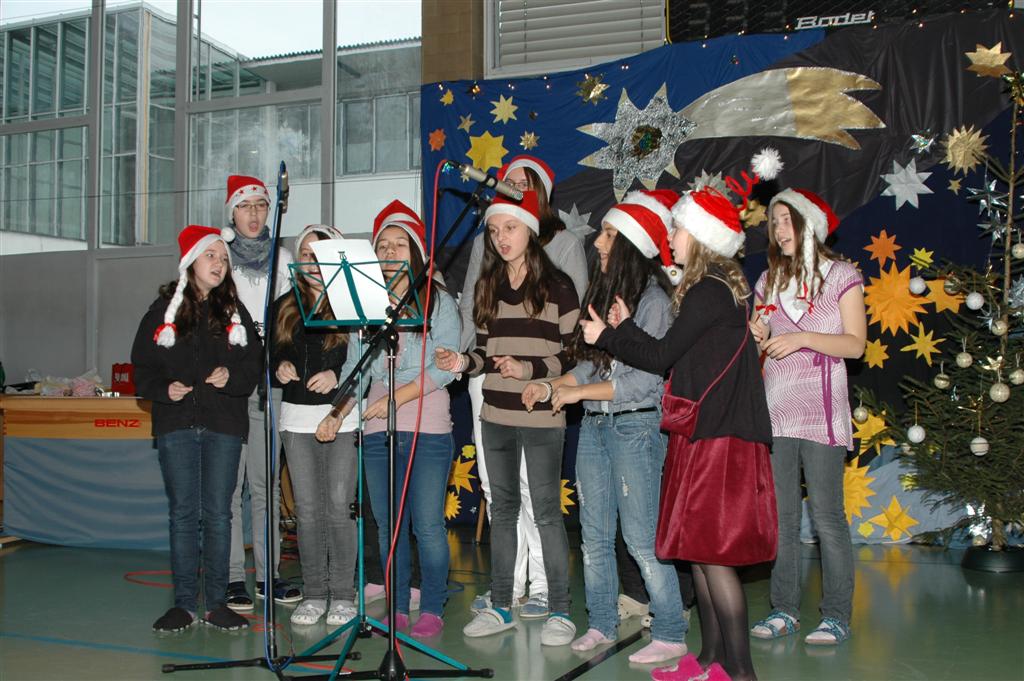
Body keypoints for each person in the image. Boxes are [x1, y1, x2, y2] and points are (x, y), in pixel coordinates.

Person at [583, 187, 777, 681]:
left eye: (678, 228)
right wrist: (626, 329)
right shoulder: (713, 289)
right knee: (698, 555)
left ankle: (739, 672)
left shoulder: (709, 289)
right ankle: (709, 661)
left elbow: (660, 357)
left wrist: (607, 335)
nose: (670, 236)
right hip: (702, 433)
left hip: (719, 438)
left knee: (714, 558)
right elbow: (673, 355)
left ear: (701, 235)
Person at [523, 190, 688, 663]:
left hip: (635, 429)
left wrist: (576, 394)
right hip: (596, 428)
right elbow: (591, 366)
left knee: (640, 538)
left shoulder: (653, 302)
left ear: (633, 244)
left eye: (610, 235)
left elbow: (642, 385)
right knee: (594, 536)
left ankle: (671, 630)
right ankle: (600, 622)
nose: (598, 242)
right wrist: (554, 386)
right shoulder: (605, 295)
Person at [437, 191, 580, 647]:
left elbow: (575, 353)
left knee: (546, 513)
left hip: (541, 415)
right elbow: (485, 352)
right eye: (494, 230)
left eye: (510, 228)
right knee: (502, 511)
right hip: (495, 413)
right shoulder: (487, 285)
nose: (501, 238)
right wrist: (463, 362)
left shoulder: (558, 286)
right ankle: (501, 603)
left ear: (530, 231)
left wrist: (530, 370)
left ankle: (561, 609)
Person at [316, 200, 459, 638]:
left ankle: (431, 606)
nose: (391, 251)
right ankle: (396, 606)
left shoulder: (438, 302)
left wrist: (396, 399)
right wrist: (337, 412)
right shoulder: (365, 306)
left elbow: (444, 369)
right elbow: (355, 370)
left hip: (427, 427)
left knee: (428, 526)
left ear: (415, 252)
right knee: (388, 527)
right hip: (378, 429)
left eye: (400, 244)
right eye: (383, 245)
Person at [748, 188, 865, 646]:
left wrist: (802, 338)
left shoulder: (841, 275)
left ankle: (836, 615)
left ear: (809, 224)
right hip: (776, 412)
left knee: (827, 516)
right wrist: (757, 335)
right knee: (780, 519)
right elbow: (761, 346)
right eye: (774, 221)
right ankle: (784, 610)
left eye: (787, 219)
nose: (779, 229)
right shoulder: (767, 280)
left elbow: (855, 344)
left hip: (821, 412)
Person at [132, 225, 261, 632]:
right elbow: (142, 370)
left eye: (224, 259)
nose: (219, 264)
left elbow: (253, 365)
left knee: (219, 514)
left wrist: (231, 377)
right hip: (176, 425)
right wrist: (164, 390)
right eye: (211, 256)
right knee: (183, 515)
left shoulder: (236, 314)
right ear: (190, 262)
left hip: (224, 425)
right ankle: (185, 604)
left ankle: (217, 603)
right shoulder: (161, 313)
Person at [271, 224, 359, 627]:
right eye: (305, 253)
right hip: (296, 418)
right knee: (306, 511)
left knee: (339, 507)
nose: (311, 261)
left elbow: (365, 359)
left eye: (319, 254)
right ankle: (314, 593)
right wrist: (280, 366)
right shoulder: (284, 305)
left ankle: (343, 594)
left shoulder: (352, 301)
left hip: (342, 415)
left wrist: (337, 379)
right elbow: (271, 355)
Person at [221, 175, 300, 611]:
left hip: (268, 386)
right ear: (231, 212)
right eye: (244, 206)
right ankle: (234, 577)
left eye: (260, 206)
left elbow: (291, 326)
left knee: (266, 485)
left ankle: (269, 576)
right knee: (230, 490)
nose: (253, 214)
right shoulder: (218, 256)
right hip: (228, 390)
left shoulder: (283, 260)